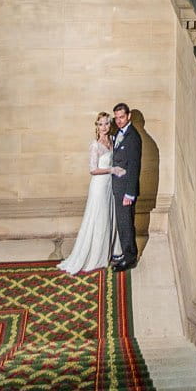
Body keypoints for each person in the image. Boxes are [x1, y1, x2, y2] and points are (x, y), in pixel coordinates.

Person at [58, 113, 125, 274]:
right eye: (101, 124)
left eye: (107, 124)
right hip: (99, 186)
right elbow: (93, 169)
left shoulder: (112, 140)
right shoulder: (95, 145)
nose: (104, 127)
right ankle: (97, 255)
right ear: (97, 126)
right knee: (100, 219)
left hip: (110, 185)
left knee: (110, 217)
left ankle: (112, 250)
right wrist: (112, 169)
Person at [110, 102, 142, 271]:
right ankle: (125, 251)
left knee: (126, 223)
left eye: (122, 117)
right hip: (118, 187)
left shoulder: (133, 137)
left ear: (129, 116)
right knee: (122, 223)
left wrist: (130, 193)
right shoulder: (118, 132)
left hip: (125, 190)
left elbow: (134, 166)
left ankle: (130, 258)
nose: (119, 121)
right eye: (117, 118)